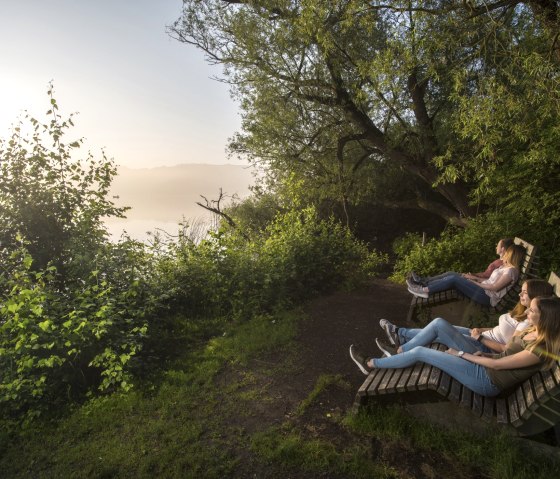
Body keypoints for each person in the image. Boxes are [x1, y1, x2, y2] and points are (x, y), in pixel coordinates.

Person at [350, 296, 560, 397]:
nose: (527, 312)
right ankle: (396, 351)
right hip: (485, 365)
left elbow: (499, 366)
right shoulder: (529, 331)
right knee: (437, 333)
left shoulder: (539, 349)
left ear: (547, 319)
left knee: (422, 351)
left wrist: (461, 353)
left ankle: (370, 364)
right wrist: (478, 350)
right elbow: (503, 355)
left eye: (532, 311)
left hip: (487, 381)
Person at [378, 278, 554, 356]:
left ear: (536, 296)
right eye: (521, 292)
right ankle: (399, 333)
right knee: (441, 329)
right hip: (483, 336)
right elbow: (500, 331)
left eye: (524, 293)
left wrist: (480, 338)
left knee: (439, 327)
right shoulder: (523, 312)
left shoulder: (527, 323)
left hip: (485, 348)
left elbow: (505, 350)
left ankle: (400, 350)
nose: (520, 296)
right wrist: (481, 330)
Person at [407, 243, 526, 307]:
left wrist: (473, 281)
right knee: (453, 276)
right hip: (483, 290)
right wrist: (473, 278)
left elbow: (494, 287)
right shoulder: (506, 267)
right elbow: (489, 281)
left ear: (512, 255)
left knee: (454, 278)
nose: (505, 255)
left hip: (487, 297)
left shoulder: (511, 271)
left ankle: (424, 289)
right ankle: (424, 287)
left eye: (508, 253)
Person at [409, 238, 514, 287]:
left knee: (451, 276)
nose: (496, 247)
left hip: (480, 282)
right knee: (450, 273)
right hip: (478, 280)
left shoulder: (501, 263)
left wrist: (472, 276)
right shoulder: (500, 262)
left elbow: (488, 277)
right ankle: (423, 281)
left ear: (503, 249)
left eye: (498, 245)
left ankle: (424, 284)